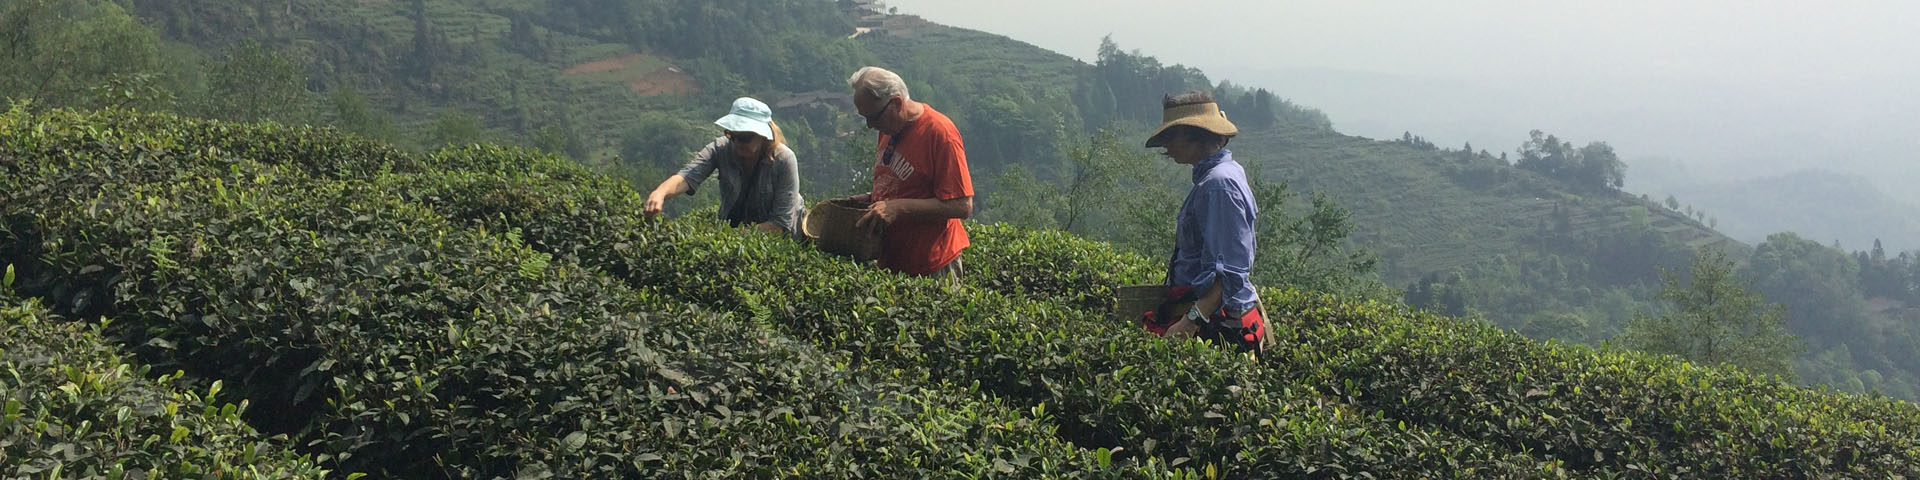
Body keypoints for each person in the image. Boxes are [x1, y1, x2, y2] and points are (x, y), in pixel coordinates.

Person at [1138, 91, 1270, 354]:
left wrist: (1192, 321)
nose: (1166, 146)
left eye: (1171, 136)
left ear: (1197, 134)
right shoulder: (1217, 177)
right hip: (1210, 318)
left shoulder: (1218, 186)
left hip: (1219, 325)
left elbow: (1230, 271)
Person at [838, 66, 974, 281]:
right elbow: (902, 184)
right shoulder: (888, 127)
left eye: (873, 117)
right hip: (892, 263)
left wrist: (898, 207)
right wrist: (868, 199)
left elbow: (961, 205)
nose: (870, 126)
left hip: (932, 266)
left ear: (897, 103)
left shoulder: (940, 133)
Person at [644, 97, 803, 235]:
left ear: (763, 136)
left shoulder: (784, 160)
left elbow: (780, 225)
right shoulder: (720, 149)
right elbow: (687, 177)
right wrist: (660, 193)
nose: (738, 142)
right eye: (732, 135)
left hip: (775, 244)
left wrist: (730, 236)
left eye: (745, 137)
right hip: (732, 233)